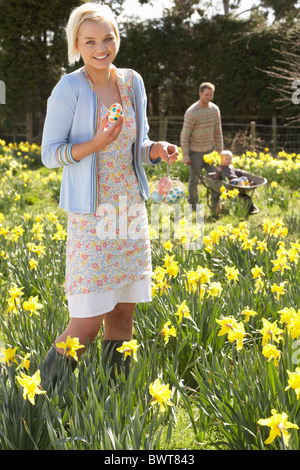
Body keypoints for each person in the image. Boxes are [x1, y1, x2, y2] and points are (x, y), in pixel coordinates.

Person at [41, 2, 178, 387]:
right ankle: (36, 402)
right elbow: (50, 154)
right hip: (91, 215)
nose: (101, 48)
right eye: (90, 41)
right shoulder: (69, 88)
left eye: (108, 38)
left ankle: (113, 399)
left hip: (129, 210)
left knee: (123, 313)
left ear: (117, 37)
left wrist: (156, 149)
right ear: (77, 44)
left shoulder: (132, 82)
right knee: (85, 320)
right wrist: (96, 142)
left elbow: (140, 141)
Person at [180, 82, 223, 209]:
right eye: (206, 95)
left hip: (210, 151)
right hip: (195, 152)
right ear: (200, 94)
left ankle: (215, 204)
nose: (209, 97)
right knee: (194, 181)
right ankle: (193, 205)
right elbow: (185, 135)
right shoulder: (192, 112)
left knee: (216, 178)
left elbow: (218, 132)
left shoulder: (214, 110)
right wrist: (186, 155)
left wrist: (220, 152)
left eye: (211, 95)